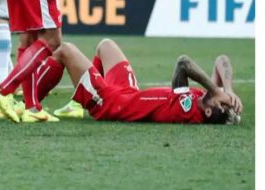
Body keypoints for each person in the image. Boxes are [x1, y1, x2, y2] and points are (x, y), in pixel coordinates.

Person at [49, 39, 241, 125]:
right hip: (128, 92)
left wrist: (216, 90)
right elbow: (221, 60)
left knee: (66, 50)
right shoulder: (206, 99)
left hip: (111, 104)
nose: (221, 96)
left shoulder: (187, 111)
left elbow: (183, 63)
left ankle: (30, 101)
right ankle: (77, 102)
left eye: (222, 102)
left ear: (209, 111)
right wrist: (229, 90)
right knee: (105, 45)